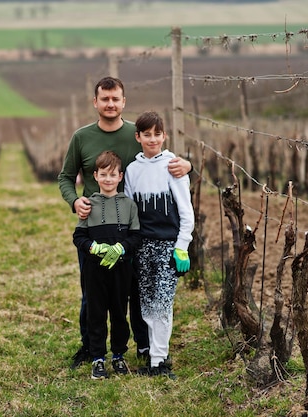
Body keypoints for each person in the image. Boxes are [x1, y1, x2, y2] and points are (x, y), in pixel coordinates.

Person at [58, 76, 193, 370]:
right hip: (94, 224)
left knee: (131, 289)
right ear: (95, 102)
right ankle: (90, 348)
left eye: (115, 99)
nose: (110, 104)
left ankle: (143, 348)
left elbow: (162, 159)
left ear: (123, 102)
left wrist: (188, 165)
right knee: (92, 291)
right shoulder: (82, 137)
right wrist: (74, 201)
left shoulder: (139, 132)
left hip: (133, 231)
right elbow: (66, 178)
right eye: (104, 99)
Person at [123, 111, 194, 379]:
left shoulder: (173, 166)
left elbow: (186, 211)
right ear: (138, 137)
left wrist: (182, 246)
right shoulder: (132, 170)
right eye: (146, 134)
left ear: (164, 136)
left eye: (157, 134)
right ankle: (154, 355)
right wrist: (129, 246)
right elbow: (130, 211)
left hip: (167, 246)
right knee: (147, 303)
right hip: (142, 246)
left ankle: (159, 362)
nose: (152, 139)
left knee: (162, 304)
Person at [72, 151, 142, 379]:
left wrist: (122, 248)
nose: (108, 179)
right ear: (95, 176)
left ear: (120, 176)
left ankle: (119, 355)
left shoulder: (129, 205)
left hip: (121, 270)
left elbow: (136, 237)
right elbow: (78, 236)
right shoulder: (88, 205)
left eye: (113, 175)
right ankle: (98, 357)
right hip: (94, 270)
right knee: (96, 313)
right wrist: (93, 247)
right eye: (104, 174)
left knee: (120, 313)